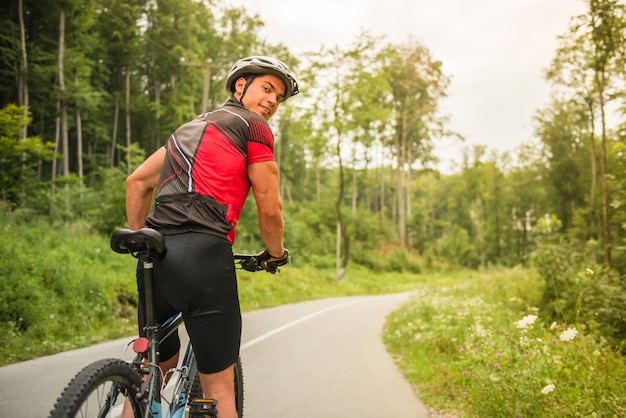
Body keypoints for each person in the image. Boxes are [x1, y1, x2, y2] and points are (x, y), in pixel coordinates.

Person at [124, 56, 299, 418]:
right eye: (267, 88)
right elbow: (269, 206)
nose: (272, 101)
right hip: (204, 252)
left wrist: (142, 237)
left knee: (150, 376)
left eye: (278, 97)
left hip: (155, 255)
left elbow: (137, 182)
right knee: (219, 387)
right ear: (240, 86)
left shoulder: (186, 130)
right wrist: (275, 253)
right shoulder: (253, 127)